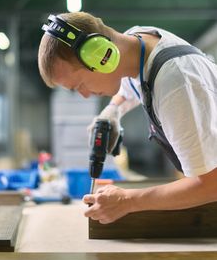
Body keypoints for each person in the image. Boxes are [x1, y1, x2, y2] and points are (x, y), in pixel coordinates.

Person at [38, 11, 217, 225]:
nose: (84, 95)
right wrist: (113, 110)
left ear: (102, 55)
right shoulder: (136, 46)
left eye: (79, 85)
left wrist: (128, 201)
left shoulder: (176, 85)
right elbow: (131, 86)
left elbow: (211, 185)